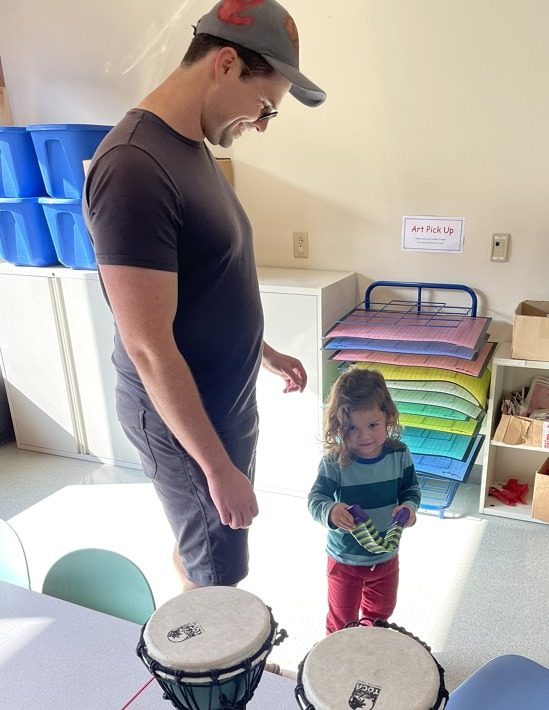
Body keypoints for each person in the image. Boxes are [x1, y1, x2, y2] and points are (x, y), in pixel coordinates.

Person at [82, 0, 326, 591]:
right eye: (265, 105)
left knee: (201, 545)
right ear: (224, 64)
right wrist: (216, 470)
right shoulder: (135, 166)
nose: (264, 123)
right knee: (218, 570)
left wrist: (263, 352)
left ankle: (195, 617)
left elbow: (209, 279)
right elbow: (146, 346)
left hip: (220, 401)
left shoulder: (190, 147)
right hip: (186, 421)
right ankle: (206, 667)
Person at [308, 367, 421, 635]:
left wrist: (410, 508)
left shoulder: (399, 454)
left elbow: (411, 490)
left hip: (386, 557)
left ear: (387, 417)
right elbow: (316, 499)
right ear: (339, 426)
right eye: (352, 428)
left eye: (373, 425)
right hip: (345, 559)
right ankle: (338, 659)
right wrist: (331, 510)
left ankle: (368, 648)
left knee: (380, 616)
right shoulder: (334, 461)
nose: (364, 436)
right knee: (341, 620)